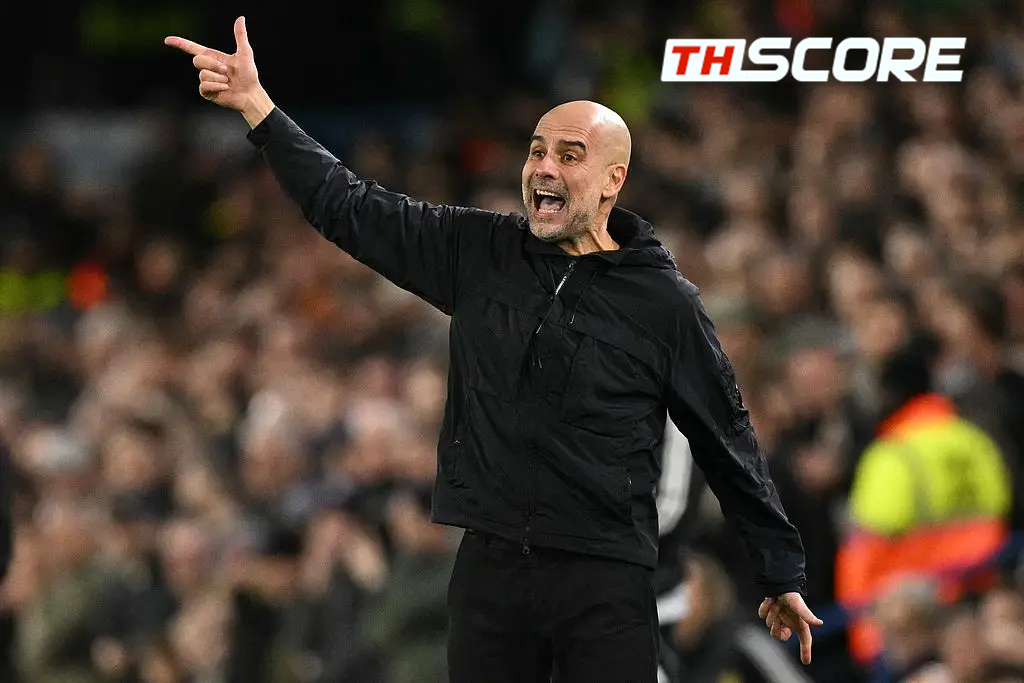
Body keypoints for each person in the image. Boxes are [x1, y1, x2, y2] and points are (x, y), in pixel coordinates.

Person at [164, 17, 821, 682]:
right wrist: (259, 109)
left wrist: (780, 570)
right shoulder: (478, 251)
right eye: (536, 151)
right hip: (491, 569)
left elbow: (726, 433)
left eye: (569, 155)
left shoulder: (664, 303)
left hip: (605, 578)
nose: (544, 167)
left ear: (612, 180)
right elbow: (350, 206)